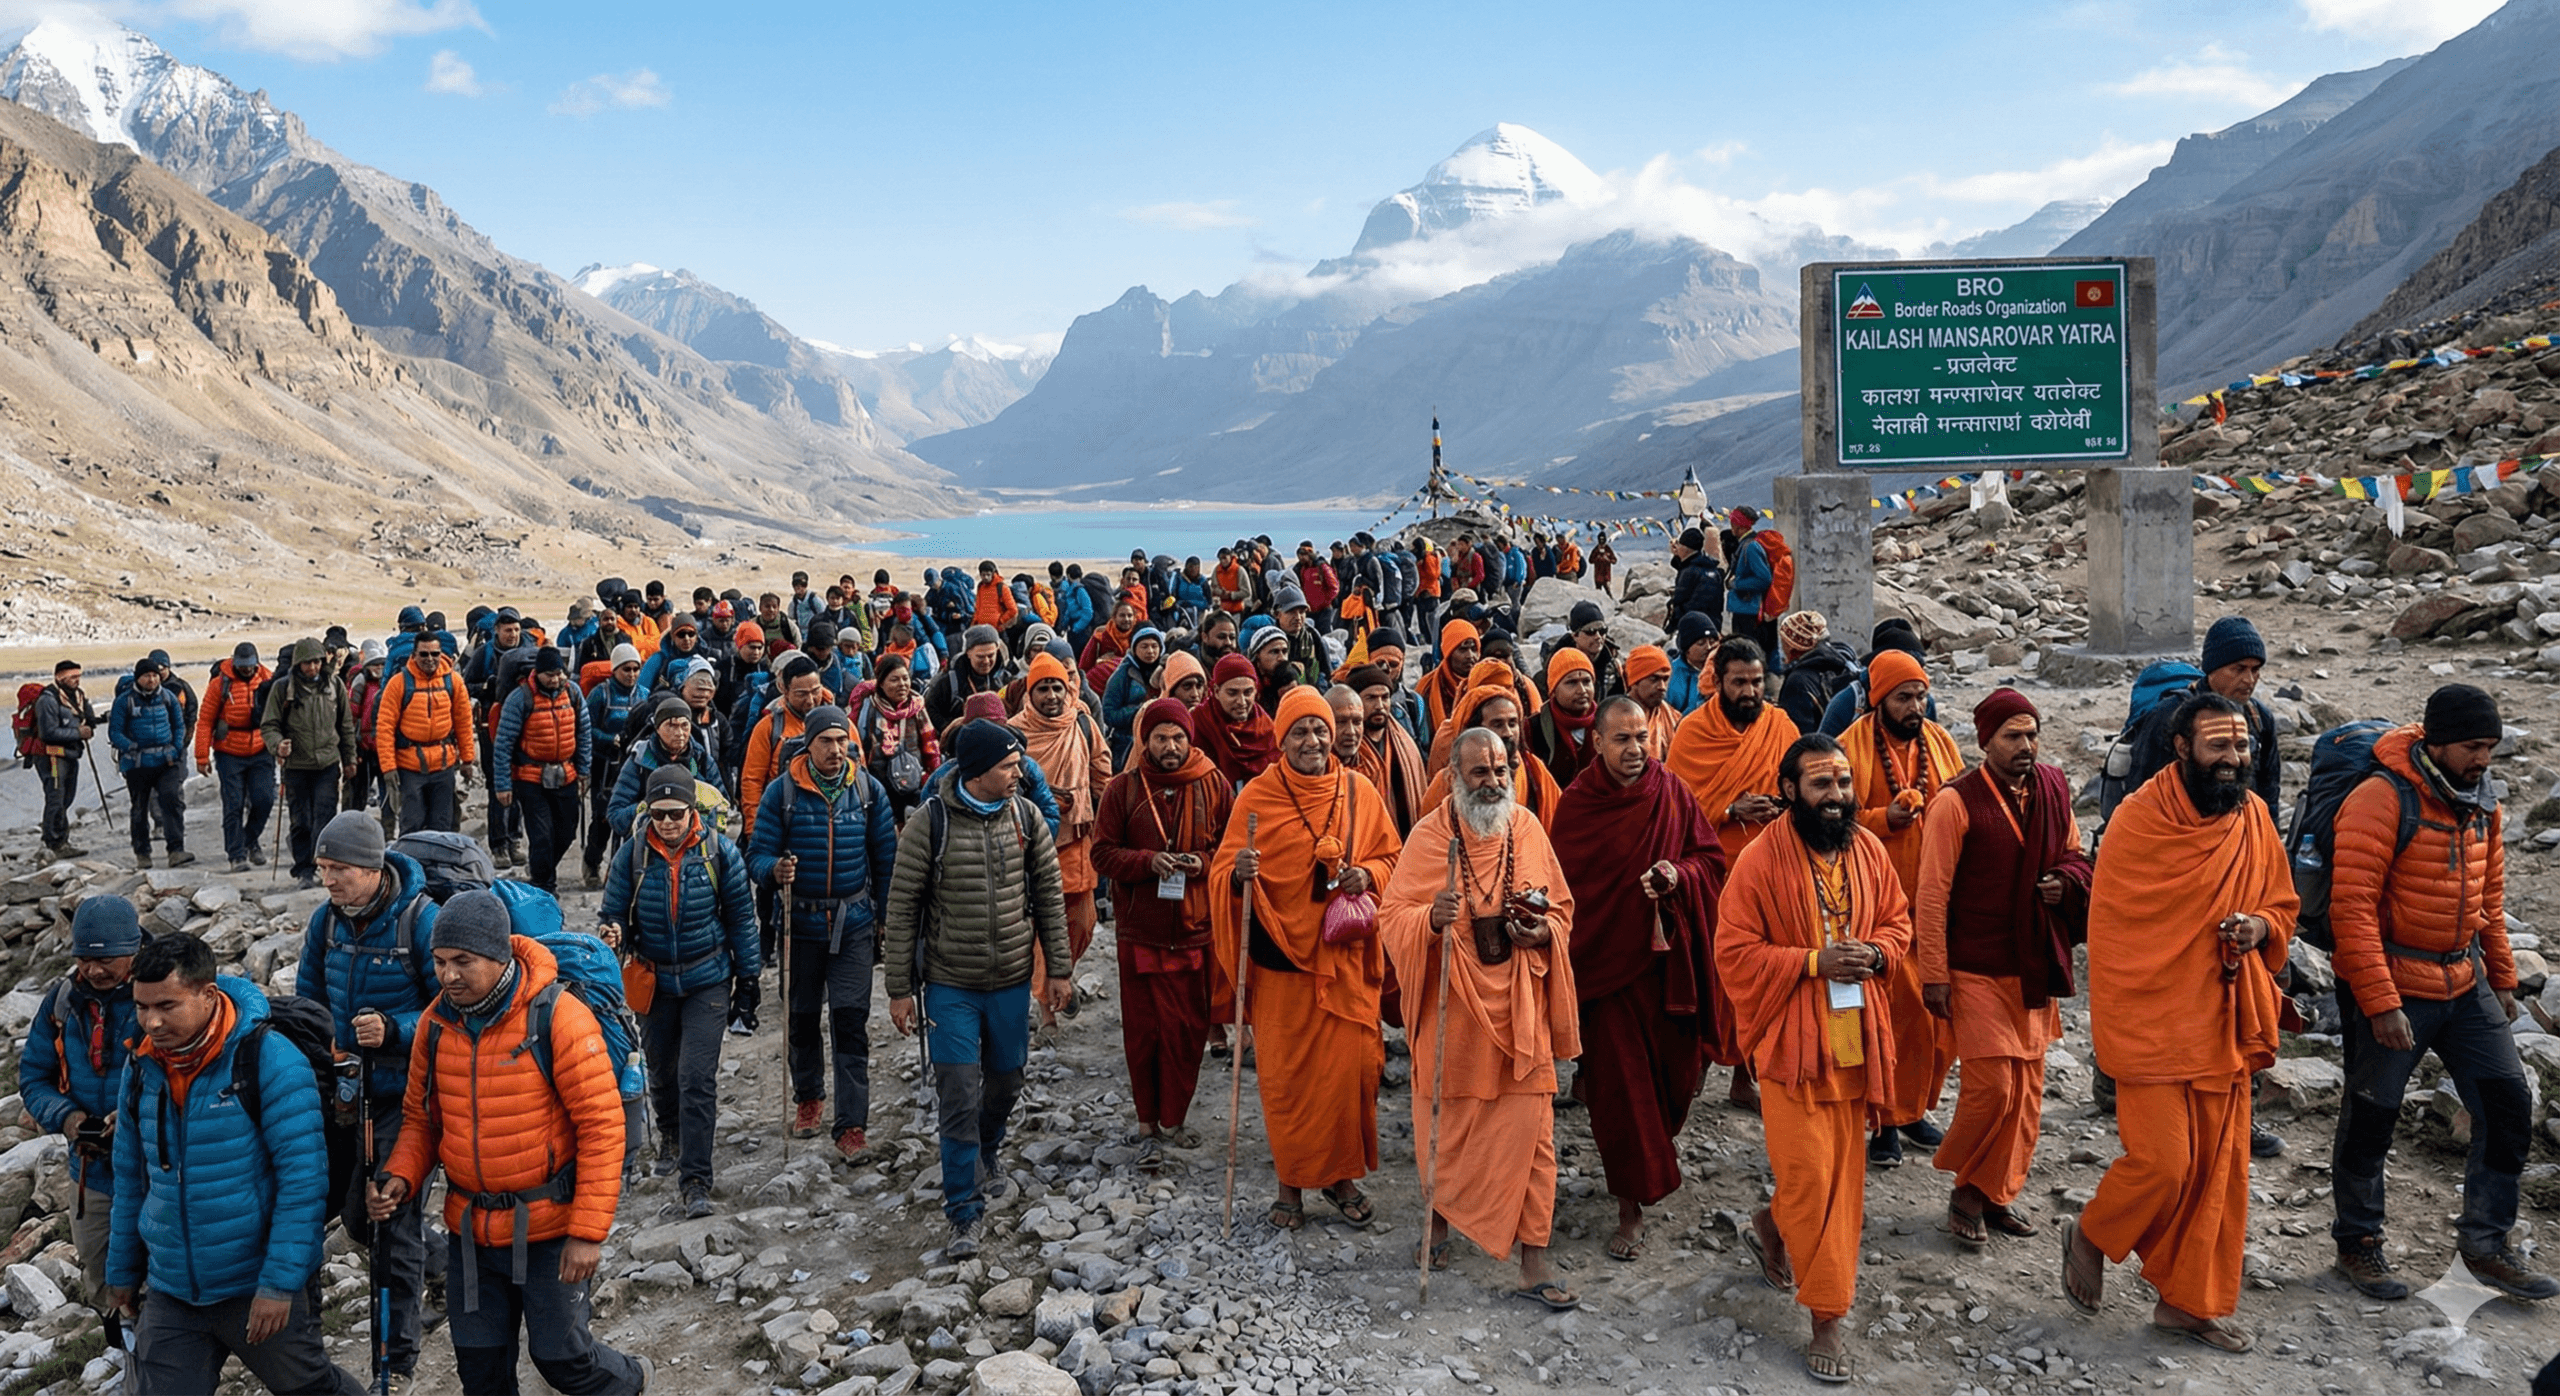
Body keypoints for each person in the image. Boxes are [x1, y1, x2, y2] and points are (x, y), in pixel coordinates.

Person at [2063, 692, 2297, 1354]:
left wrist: (2258, 928)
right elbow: (2113, 938)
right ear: (2181, 748)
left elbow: (2281, 903)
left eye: (2242, 746)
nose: (2233, 759)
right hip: (2152, 1023)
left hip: (2223, 1019)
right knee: (2164, 1165)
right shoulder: (2139, 821)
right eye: (2219, 745)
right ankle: (2093, 1233)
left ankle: (2187, 1304)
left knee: (2219, 1173)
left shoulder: (2252, 816)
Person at [370, 891, 650, 1396]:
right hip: (471, 1233)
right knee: (481, 1373)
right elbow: (422, 1121)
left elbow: (602, 1126)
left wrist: (587, 1233)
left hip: (549, 1228)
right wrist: (401, 1175)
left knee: (564, 1361)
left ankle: (636, 1380)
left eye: (463, 961)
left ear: (499, 956)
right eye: (439, 961)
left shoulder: (558, 1017)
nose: (448, 975)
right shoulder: (435, 1025)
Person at [2326, 685, 2554, 1300]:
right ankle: (2358, 1244)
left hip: (2463, 979)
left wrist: (2501, 978)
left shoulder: (2482, 802)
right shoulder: (2380, 799)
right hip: (2394, 982)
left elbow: (2489, 902)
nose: (2484, 758)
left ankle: (2486, 1245)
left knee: (2507, 1105)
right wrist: (2381, 1003)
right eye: (2473, 746)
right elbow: (2351, 910)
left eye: (2490, 747)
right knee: (2372, 1116)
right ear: (2437, 742)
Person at [1714, 733, 1912, 1385]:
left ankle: (1771, 1228)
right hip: (1790, 1044)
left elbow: (1898, 922)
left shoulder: (1869, 849)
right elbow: (1733, 952)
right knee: (1808, 1178)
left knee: (1840, 1181)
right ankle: (1827, 1316)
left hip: (1854, 1039)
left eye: (1844, 784)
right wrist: (1811, 962)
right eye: (1822, 784)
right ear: (1790, 790)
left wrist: (1876, 954)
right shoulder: (1759, 860)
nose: (1837, 796)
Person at [107, 932, 366, 1396]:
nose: (151, 1022)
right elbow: (130, 1177)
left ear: (208, 995)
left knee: (311, 1388)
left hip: (255, 1281)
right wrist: (122, 1272)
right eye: (142, 1007)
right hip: (172, 1289)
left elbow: (303, 1182)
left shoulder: (269, 1059)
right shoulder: (142, 1065)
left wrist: (279, 1285)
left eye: (166, 1006)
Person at [1380, 725, 1581, 1308]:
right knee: (1445, 1127)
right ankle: (1438, 1226)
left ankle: (1533, 1263)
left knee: (1535, 1141)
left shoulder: (1527, 828)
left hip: (1519, 1008)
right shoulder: (1429, 836)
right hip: (1454, 1012)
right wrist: (1429, 919)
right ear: (1454, 778)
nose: (1493, 781)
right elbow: (1393, 915)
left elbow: (1562, 910)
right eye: (1480, 772)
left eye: (1500, 770)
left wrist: (1543, 932)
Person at [1211, 686, 1403, 1232]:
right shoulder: (1257, 798)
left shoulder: (1359, 791)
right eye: (1300, 731)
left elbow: (1392, 857)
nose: (1313, 740)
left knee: (1353, 1073)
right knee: (1288, 1083)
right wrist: (1237, 874)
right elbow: (1222, 872)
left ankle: (1342, 1180)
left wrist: (1369, 874)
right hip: (1282, 965)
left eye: (1321, 729)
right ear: (1281, 739)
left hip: (1344, 958)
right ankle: (1290, 1186)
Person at [882, 720, 1073, 1258]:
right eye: (1009, 766)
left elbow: (1049, 895)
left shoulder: (1026, 817)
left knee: (1007, 1080)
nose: (1019, 774)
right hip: (950, 985)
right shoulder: (930, 823)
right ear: (979, 770)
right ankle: (963, 1211)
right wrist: (899, 988)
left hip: (1010, 978)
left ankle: (989, 1146)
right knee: (959, 1092)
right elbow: (902, 908)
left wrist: (1058, 970)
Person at [1553, 697, 1733, 1254]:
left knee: (1676, 1078)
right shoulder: (1578, 806)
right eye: (1622, 740)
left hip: (1668, 967)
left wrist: (1677, 875)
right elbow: (1566, 891)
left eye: (1642, 738)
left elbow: (1710, 860)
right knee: (1622, 1093)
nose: (1636, 750)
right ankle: (1629, 1204)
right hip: (1606, 975)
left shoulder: (1671, 791)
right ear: (1597, 744)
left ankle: (1653, 1154)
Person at [1913, 690, 2091, 1249]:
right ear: (1985, 741)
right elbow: (1932, 893)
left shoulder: (2053, 787)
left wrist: (2065, 882)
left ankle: (1991, 1193)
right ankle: (1965, 1184)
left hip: (2032, 961)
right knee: (1992, 1087)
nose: (2025, 746)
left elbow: (2075, 854)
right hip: (1974, 964)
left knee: (2027, 1092)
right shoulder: (1955, 801)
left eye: (2032, 734)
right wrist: (1933, 973)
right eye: (2013, 736)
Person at [296, 810, 442, 1386]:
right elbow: (309, 1001)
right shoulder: (325, 922)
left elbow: (451, 1007)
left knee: (390, 1225)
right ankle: (449, 1266)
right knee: (357, 1219)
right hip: (348, 1093)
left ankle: (395, 1363)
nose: (327, 880)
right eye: (322, 868)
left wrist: (394, 1029)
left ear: (373, 868)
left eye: (338, 869)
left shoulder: (420, 922)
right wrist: (320, 1054)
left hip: (407, 1099)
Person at [601, 763, 759, 1219]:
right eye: (659, 814)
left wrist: (748, 981)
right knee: (661, 1069)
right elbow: (614, 911)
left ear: (693, 811)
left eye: (677, 813)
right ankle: (669, 1132)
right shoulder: (632, 855)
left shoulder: (719, 852)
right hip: (653, 979)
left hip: (707, 977)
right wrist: (613, 933)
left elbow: (741, 918)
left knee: (696, 1077)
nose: (668, 822)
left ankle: (696, 1180)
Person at [747, 706, 898, 1160]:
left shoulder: (868, 790)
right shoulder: (782, 793)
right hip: (800, 923)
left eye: (842, 741)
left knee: (851, 1023)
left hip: (853, 923)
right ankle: (808, 1097)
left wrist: (887, 916)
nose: (836, 750)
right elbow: (757, 855)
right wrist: (774, 870)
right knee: (802, 1017)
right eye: (826, 741)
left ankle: (852, 1125)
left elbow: (886, 859)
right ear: (808, 744)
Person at [1091, 698, 1234, 1165]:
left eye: (1177, 738)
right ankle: (1146, 1121)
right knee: (1143, 1032)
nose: (1169, 747)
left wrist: (1202, 863)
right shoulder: (1123, 789)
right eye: (1160, 738)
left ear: (1189, 739)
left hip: (1195, 927)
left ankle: (1175, 1118)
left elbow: (1230, 849)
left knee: (1186, 1031)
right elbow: (1102, 854)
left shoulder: (1212, 782)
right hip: (1141, 931)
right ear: (1144, 741)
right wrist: (1147, 862)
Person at [1840, 648, 1961, 1168]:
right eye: (1903, 697)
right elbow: (1829, 819)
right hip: (1871, 908)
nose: (1915, 707)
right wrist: (1882, 819)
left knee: (1935, 1022)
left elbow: (1962, 807)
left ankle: (1912, 1110)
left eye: (1920, 696)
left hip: (1933, 906)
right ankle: (1882, 1121)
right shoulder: (1849, 747)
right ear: (1879, 699)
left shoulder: (1941, 742)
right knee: (1881, 1018)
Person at [20, 896, 143, 1363]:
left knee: (159, 1274)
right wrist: (69, 1119)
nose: (93, 970)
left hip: (156, 1167)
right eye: (84, 958)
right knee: (103, 1276)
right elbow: (34, 1077)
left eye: (105, 959)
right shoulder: (62, 1002)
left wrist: (130, 1117)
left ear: (133, 951)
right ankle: (129, 1355)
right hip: (91, 1171)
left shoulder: (160, 992)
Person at [1012, 653, 1114, 972]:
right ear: (1030, 693)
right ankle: (1046, 996)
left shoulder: (1082, 723)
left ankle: (1058, 976)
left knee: (1083, 922)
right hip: (1032, 844)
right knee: (1041, 925)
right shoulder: (1014, 733)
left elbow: (1102, 774)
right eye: (1043, 688)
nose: (1052, 696)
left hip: (1078, 839)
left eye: (1057, 687)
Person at [1667, 637, 1799, 855]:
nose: (1749, 692)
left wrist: (1781, 805)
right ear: (1718, 683)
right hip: (1711, 860)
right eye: (1739, 683)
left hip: (1773, 857)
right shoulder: (1692, 731)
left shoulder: (1781, 726)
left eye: (1756, 682)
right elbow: (1674, 810)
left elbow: (1803, 794)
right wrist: (1730, 810)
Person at [492, 648, 592, 895]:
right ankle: (544, 886)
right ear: (538, 673)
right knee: (541, 836)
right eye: (550, 675)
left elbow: (583, 732)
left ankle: (540, 868)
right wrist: (503, 785)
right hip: (530, 778)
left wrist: (584, 769)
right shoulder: (520, 698)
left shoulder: (573, 693)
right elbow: (504, 744)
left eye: (559, 673)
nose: (555, 679)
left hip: (566, 774)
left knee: (567, 831)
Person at [260, 638, 357, 889]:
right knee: (301, 820)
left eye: (316, 662)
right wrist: (278, 744)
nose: (312, 667)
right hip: (296, 766)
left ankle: (324, 867)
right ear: (297, 664)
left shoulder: (334, 685)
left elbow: (345, 725)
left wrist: (349, 759)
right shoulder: (283, 688)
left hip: (327, 763)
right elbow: (269, 725)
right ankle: (304, 869)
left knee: (325, 818)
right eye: (307, 663)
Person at [375, 630, 475, 836]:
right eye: (424, 654)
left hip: (444, 766)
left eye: (435, 654)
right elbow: (385, 727)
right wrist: (388, 768)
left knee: (443, 826)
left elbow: (464, 722)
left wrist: (467, 759)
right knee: (412, 824)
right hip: (409, 768)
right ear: (414, 655)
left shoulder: (453, 682)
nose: (430, 659)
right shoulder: (398, 684)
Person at [195, 641, 276, 871]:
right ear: (235, 663)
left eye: (250, 665)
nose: (247, 669)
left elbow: (279, 715)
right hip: (229, 751)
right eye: (242, 665)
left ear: (256, 662)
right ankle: (236, 855)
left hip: (261, 747)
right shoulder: (220, 684)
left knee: (264, 799)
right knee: (233, 804)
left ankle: (249, 840)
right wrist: (201, 756)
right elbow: (205, 720)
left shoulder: (268, 679)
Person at [109, 656, 192, 868]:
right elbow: (115, 732)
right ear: (138, 678)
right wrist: (130, 747)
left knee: (171, 801)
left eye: (155, 675)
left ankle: (176, 850)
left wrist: (176, 747)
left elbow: (179, 725)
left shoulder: (168, 697)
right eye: (147, 676)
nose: (152, 680)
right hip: (137, 763)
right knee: (139, 809)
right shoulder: (124, 701)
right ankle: (143, 854)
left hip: (166, 760)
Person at [582, 644, 646, 887]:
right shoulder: (600, 694)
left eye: (636, 669)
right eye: (626, 669)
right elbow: (585, 728)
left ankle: (623, 870)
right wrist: (609, 739)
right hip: (604, 766)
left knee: (631, 818)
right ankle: (592, 862)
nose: (631, 674)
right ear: (615, 669)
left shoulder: (644, 694)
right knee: (603, 818)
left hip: (635, 765)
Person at [1341, 664, 1427, 835]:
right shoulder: (1345, 747)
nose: (1380, 705)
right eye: (1371, 698)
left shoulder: (1405, 742)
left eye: (1385, 697)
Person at [32, 659, 96, 857]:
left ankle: (59, 840)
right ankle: (54, 843)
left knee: (66, 798)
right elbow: (48, 733)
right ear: (59, 677)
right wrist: (78, 733)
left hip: (69, 754)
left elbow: (87, 719)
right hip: (51, 756)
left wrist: (92, 723)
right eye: (73, 677)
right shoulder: (47, 700)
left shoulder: (77, 696)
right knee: (56, 797)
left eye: (79, 676)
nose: (77, 680)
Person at [1192, 654, 1276, 788]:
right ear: (1216, 691)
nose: (1241, 702)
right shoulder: (1198, 723)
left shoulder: (1266, 726)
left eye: (1248, 693)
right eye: (1232, 693)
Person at [1527, 648, 1601, 787]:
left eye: (1586, 681)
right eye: (1571, 683)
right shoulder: (1532, 728)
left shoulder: (1608, 722)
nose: (1582, 690)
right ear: (1553, 690)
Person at [1775, 612, 1857, 735]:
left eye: (1784, 642)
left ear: (1792, 647)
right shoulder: (1840, 661)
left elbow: (1798, 734)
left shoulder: (1797, 682)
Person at [926, 625, 1012, 734]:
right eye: (980, 657)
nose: (986, 661)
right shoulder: (948, 681)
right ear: (968, 653)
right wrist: (953, 731)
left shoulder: (1006, 679)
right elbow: (931, 710)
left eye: (991, 655)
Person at [1619, 645, 1680, 760]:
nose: (1662, 687)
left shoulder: (1674, 718)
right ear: (1635, 681)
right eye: (1654, 679)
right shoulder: (1615, 718)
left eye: (1665, 679)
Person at [1668, 529, 1724, 640]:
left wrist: (1673, 626)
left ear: (1685, 548)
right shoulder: (1708, 566)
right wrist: (1677, 556)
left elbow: (1682, 600)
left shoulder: (1690, 572)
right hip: (1713, 622)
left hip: (1695, 626)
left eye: (1679, 544)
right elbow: (1686, 565)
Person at [1665, 613, 1716, 715]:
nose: (1708, 647)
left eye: (1712, 642)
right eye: (1701, 643)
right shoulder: (1671, 675)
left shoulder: (1721, 670)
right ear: (1687, 649)